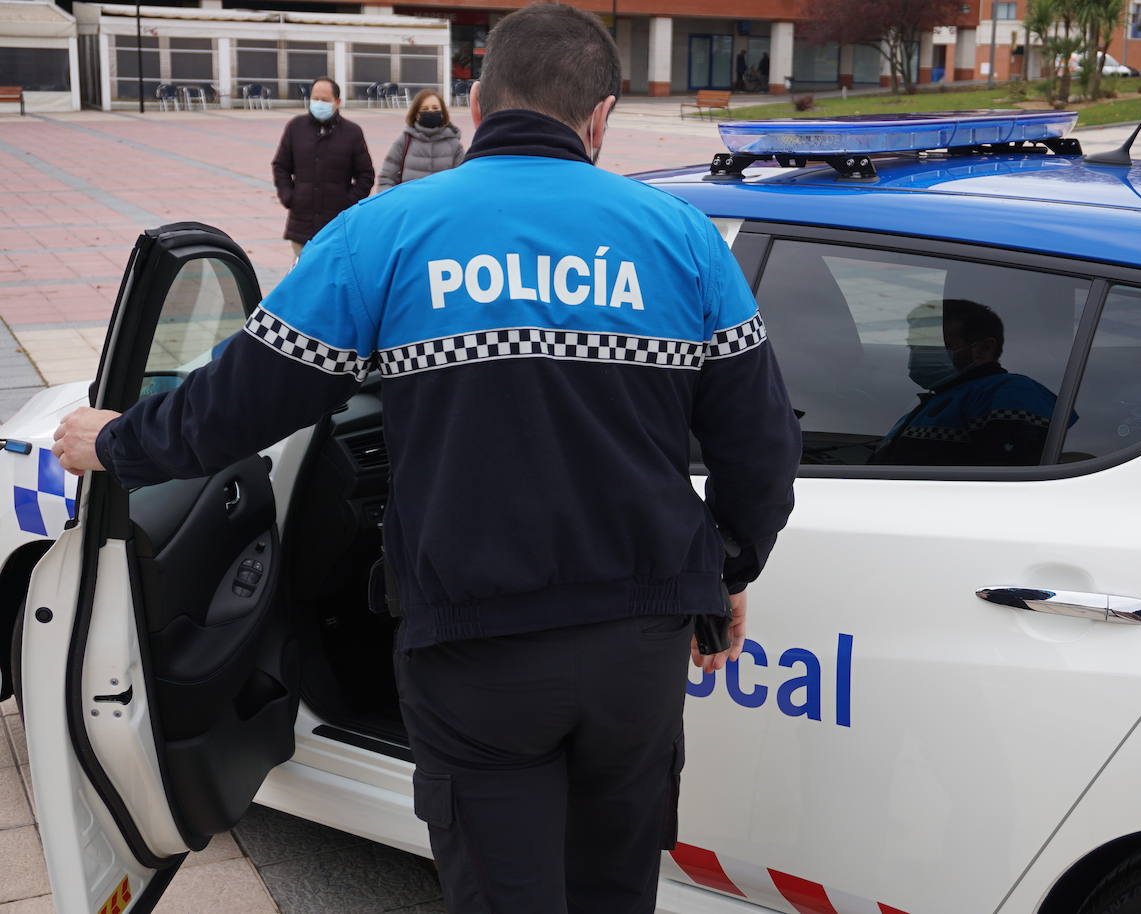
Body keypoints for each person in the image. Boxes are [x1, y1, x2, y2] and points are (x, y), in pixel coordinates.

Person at [52, 5, 801, 913]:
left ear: (478, 107)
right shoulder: (682, 239)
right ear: (601, 116)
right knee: (614, 888)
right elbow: (761, 447)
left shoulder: (385, 233)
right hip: (634, 652)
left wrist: (119, 440)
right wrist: (727, 566)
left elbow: (239, 403)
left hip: (475, 649)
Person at [870, 298, 1058, 466]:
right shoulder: (937, 399)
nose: (918, 354)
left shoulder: (1010, 394)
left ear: (984, 349)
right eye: (913, 346)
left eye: (931, 346)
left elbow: (1004, 479)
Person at [271, 76, 374, 258]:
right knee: (303, 278)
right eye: (315, 98)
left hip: (337, 225)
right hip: (301, 223)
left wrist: (348, 204)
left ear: (337, 102)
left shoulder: (352, 132)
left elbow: (366, 175)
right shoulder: (296, 127)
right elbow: (281, 166)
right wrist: (289, 196)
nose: (319, 103)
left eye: (325, 100)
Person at [378, 89, 465, 189]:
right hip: (410, 203)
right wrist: (392, 203)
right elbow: (386, 178)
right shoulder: (405, 141)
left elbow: (462, 182)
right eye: (425, 109)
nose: (431, 111)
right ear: (417, 114)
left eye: (435, 108)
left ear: (442, 113)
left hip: (443, 204)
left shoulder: (454, 144)